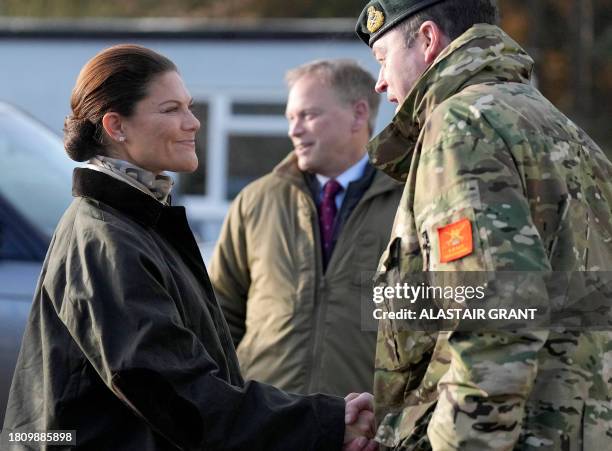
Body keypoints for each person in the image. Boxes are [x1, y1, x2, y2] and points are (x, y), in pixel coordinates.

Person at [1, 44, 379, 451]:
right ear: (117, 127)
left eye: (189, 106)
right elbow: (172, 386)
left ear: (360, 113)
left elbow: (436, 314)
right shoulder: (109, 236)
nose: (193, 123)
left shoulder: (141, 223)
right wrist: (317, 422)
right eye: (171, 109)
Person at [354, 0, 612, 449]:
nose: (379, 83)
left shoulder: (461, 126)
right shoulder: (558, 127)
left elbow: (495, 325)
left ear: (429, 41)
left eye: (382, 59)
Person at [209, 59, 403, 397]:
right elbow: (219, 314)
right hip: (266, 423)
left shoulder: (411, 203)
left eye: (308, 116)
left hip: (366, 426)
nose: (293, 130)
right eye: (291, 118)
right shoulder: (255, 201)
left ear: (359, 114)